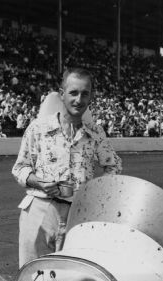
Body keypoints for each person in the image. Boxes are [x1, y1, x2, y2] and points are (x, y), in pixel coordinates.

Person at [11, 67, 122, 267]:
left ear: (91, 97)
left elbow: (113, 166)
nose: (78, 100)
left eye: (84, 93)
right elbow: (20, 168)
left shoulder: (96, 132)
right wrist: (40, 182)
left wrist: (95, 192)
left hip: (79, 214)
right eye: (73, 93)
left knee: (70, 276)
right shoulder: (38, 128)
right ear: (62, 95)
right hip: (40, 209)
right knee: (32, 278)